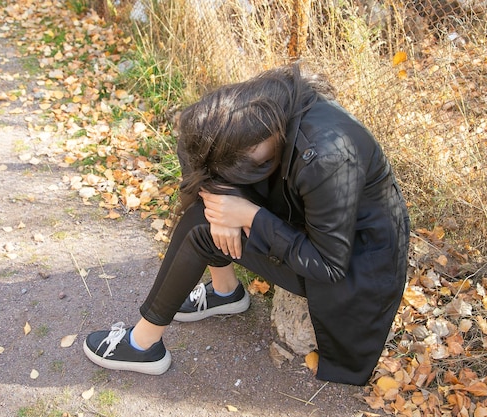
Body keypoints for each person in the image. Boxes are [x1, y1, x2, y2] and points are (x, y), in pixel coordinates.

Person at [83, 64, 410, 386]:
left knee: (203, 229)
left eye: (240, 163)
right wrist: (222, 201)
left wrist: (250, 216)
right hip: (311, 223)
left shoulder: (325, 157)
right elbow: (194, 144)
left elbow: (328, 265)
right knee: (208, 210)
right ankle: (225, 293)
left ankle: (143, 345)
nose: (234, 170)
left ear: (260, 140)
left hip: (355, 266)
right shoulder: (265, 107)